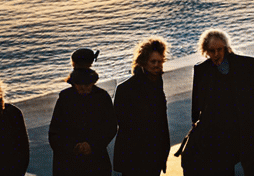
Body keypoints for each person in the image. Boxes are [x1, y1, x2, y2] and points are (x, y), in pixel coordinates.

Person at [189, 29, 254, 176]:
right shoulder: (202, 70)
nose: (216, 55)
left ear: (226, 48)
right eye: (211, 51)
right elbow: (197, 106)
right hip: (217, 137)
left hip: (248, 132)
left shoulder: (248, 65)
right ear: (205, 51)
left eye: (219, 50)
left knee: (253, 170)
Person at [113, 38, 170, 176]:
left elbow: (161, 121)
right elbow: (123, 124)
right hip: (135, 157)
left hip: (154, 155)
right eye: (153, 62)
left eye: (160, 61)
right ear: (143, 62)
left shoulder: (156, 82)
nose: (157, 65)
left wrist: (163, 154)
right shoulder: (125, 89)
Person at [49, 66, 117, 176]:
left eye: (87, 85)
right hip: (69, 161)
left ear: (93, 82)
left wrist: (93, 145)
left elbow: (110, 127)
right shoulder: (65, 98)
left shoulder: (102, 97)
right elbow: (55, 133)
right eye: (80, 86)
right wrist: (73, 147)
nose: (84, 88)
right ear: (73, 83)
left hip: (96, 159)